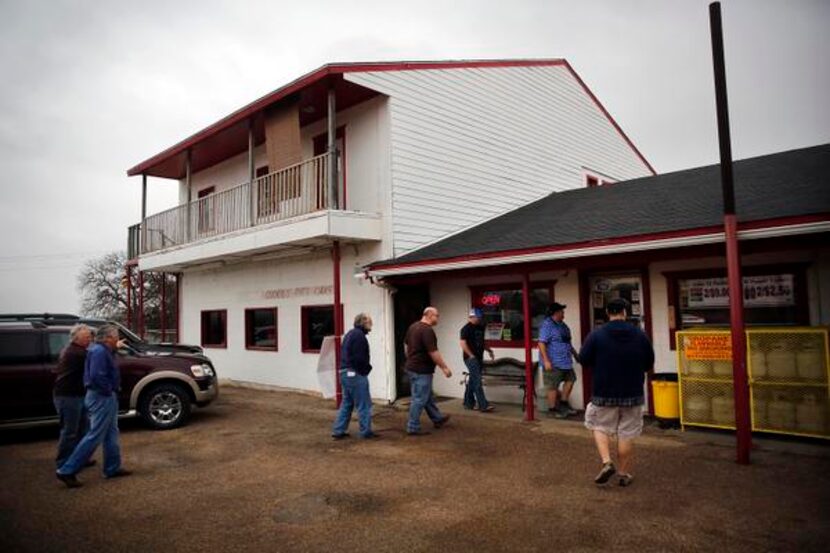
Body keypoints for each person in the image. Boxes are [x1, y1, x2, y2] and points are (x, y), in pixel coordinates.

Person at [579, 298, 654, 487]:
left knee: (600, 426)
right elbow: (648, 363)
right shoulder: (640, 335)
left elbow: (584, 359)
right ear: (625, 312)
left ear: (607, 312)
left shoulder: (596, 334)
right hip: (632, 392)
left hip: (603, 390)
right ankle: (623, 473)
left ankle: (607, 462)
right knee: (626, 432)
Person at [56, 325, 131, 487]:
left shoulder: (102, 350)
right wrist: (109, 390)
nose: (118, 339)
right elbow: (96, 376)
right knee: (95, 435)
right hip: (101, 396)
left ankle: (112, 467)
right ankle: (67, 470)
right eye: (116, 336)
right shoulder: (98, 351)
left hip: (105, 396)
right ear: (108, 338)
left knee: (111, 432)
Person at [403, 307, 453, 436]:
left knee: (426, 396)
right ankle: (412, 426)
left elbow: (406, 345)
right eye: (436, 315)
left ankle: (437, 418)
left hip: (411, 367)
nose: (438, 318)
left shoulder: (413, 327)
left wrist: (410, 358)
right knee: (419, 398)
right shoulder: (427, 330)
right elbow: (433, 352)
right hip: (421, 370)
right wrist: (444, 367)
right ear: (429, 315)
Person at [52, 324, 96, 469]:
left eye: (90, 336)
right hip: (68, 396)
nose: (89, 339)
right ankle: (63, 463)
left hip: (77, 395)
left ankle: (79, 458)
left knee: (83, 429)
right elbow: (95, 359)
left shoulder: (76, 350)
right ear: (76, 338)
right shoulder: (77, 353)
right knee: (70, 432)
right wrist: (112, 347)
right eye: (86, 337)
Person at [331, 313, 378, 440]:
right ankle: (366, 431)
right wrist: (366, 370)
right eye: (370, 322)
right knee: (364, 403)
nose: (371, 325)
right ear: (363, 323)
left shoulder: (350, 334)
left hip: (345, 372)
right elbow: (359, 358)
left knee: (347, 403)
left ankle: (338, 430)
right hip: (354, 373)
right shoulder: (359, 336)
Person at [538, 302, 580, 418]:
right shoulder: (547, 326)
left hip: (565, 361)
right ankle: (553, 409)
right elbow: (541, 343)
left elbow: (568, 343)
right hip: (553, 362)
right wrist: (546, 360)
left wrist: (576, 355)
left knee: (571, 380)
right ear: (555, 313)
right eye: (561, 311)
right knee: (553, 386)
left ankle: (563, 403)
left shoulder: (563, 326)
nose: (563, 313)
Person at [460, 308, 495, 412]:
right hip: (470, 358)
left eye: (480, 318)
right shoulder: (465, 329)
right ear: (471, 317)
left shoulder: (480, 327)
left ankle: (468, 403)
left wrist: (489, 350)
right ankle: (483, 405)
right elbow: (462, 343)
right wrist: (470, 355)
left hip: (479, 357)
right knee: (477, 381)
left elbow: (482, 342)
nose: (479, 319)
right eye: (477, 318)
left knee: (472, 380)